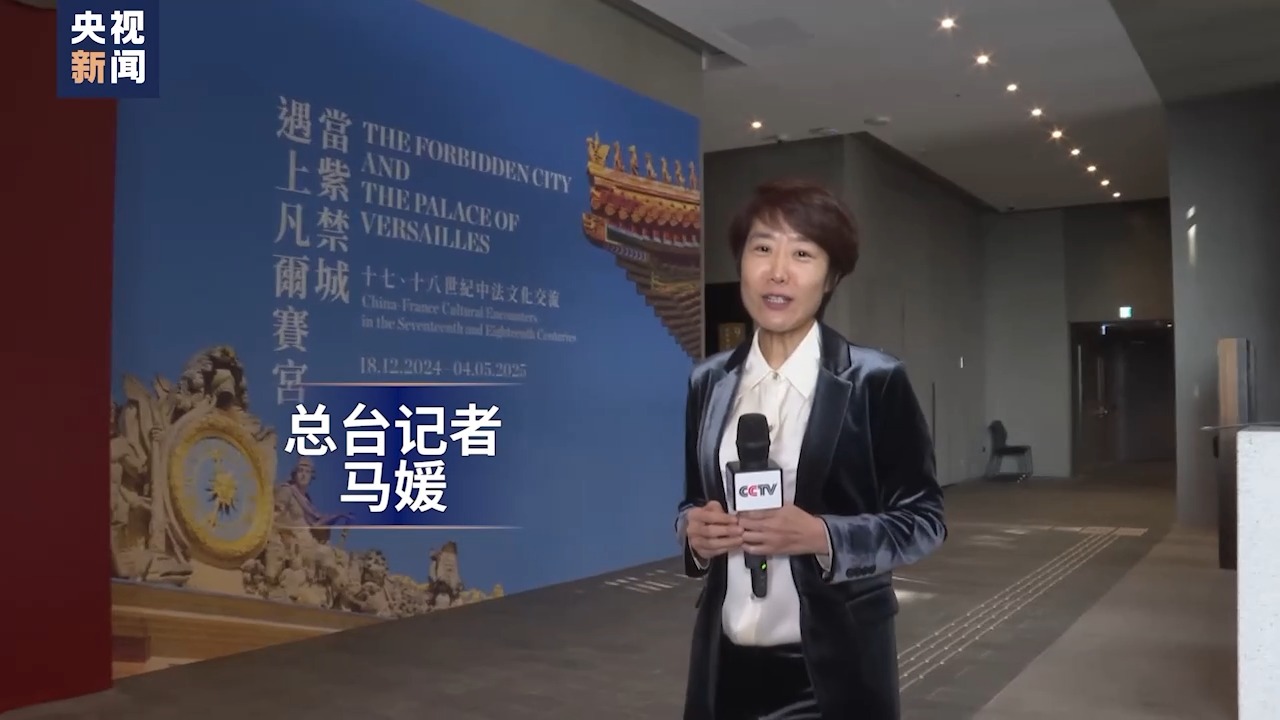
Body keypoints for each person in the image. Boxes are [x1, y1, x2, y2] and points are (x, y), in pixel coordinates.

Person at [676, 179, 947, 719]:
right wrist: (695, 532)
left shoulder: (874, 380)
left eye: (802, 253)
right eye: (762, 248)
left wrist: (823, 536)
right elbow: (692, 501)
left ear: (831, 277)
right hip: (723, 664)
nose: (778, 271)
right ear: (741, 263)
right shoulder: (709, 381)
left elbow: (924, 520)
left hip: (832, 670)